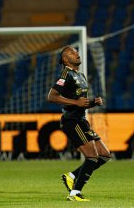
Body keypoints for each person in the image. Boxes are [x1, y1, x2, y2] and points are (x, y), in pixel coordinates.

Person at [47, 46, 111, 202]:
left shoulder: (81, 75)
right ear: (64, 59)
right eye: (71, 52)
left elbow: (81, 103)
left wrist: (93, 102)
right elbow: (52, 96)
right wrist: (75, 101)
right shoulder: (65, 74)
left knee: (104, 155)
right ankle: (75, 193)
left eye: (76, 51)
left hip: (81, 120)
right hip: (71, 120)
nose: (76, 53)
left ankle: (72, 176)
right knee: (92, 156)